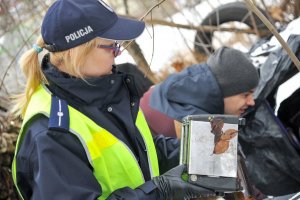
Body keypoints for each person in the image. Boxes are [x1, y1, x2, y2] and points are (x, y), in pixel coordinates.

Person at [11, 0, 217, 199]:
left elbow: (142, 153)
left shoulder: (104, 92)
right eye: (112, 46)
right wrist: (161, 190)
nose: (118, 54)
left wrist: (203, 146)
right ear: (78, 51)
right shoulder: (51, 133)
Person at [140, 47, 260, 138]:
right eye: (245, 95)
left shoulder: (193, 86)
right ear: (224, 91)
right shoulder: (195, 124)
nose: (251, 102)